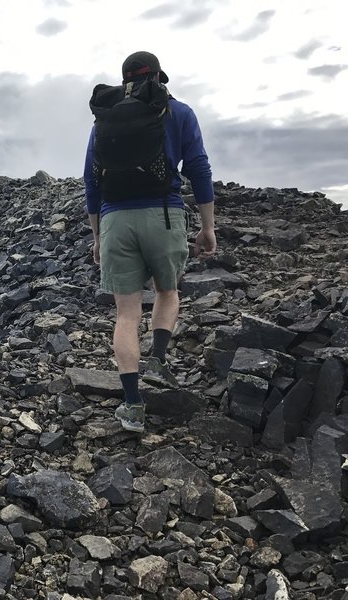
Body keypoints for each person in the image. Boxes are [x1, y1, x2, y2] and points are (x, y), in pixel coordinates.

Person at [83, 51, 217, 432]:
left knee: (126, 314)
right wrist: (207, 227)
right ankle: (158, 362)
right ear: (159, 77)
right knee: (166, 291)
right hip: (163, 213)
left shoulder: (105, 118)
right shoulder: (180, 112)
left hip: (115, 219)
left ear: (123, 79)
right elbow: (199, 169)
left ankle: (133, 405)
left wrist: (96, 234)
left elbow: (91, 179)